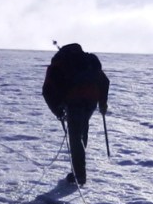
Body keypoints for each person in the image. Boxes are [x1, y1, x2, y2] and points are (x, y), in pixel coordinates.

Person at [41, 43, 109, 185]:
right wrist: (102, 103)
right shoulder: (88, 61)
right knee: (81, 131)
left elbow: (47, 90)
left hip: (74, 102)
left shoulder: (59, 64)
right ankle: (78, 171)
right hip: (91, 102)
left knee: (75, 137)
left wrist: (57, 111)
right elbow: (104, 81)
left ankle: (79, 175)